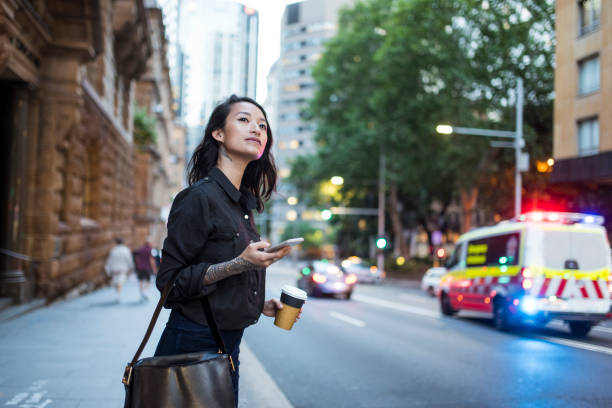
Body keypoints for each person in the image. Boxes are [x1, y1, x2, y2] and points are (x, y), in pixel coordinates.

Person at [154, 95, 296, 406]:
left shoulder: (243, 205)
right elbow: (169, 282)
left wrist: (259, 304)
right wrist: (239, 264)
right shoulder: (198, 198)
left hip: (227, 344)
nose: (256, 129)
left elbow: (219, 266)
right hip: (193, 342)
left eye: (262, 125)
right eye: (244, 120)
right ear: (218, 133)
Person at [104, 238, 134, 302]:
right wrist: (131, 267)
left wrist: (108, 270)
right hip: (122, 270)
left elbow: (109, 261)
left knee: (117, 282)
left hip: (114, 270)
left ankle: (118, 294)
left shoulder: (113, 250)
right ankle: (118, 295)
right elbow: (129, 260)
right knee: (119, 283)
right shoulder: (126, 250)